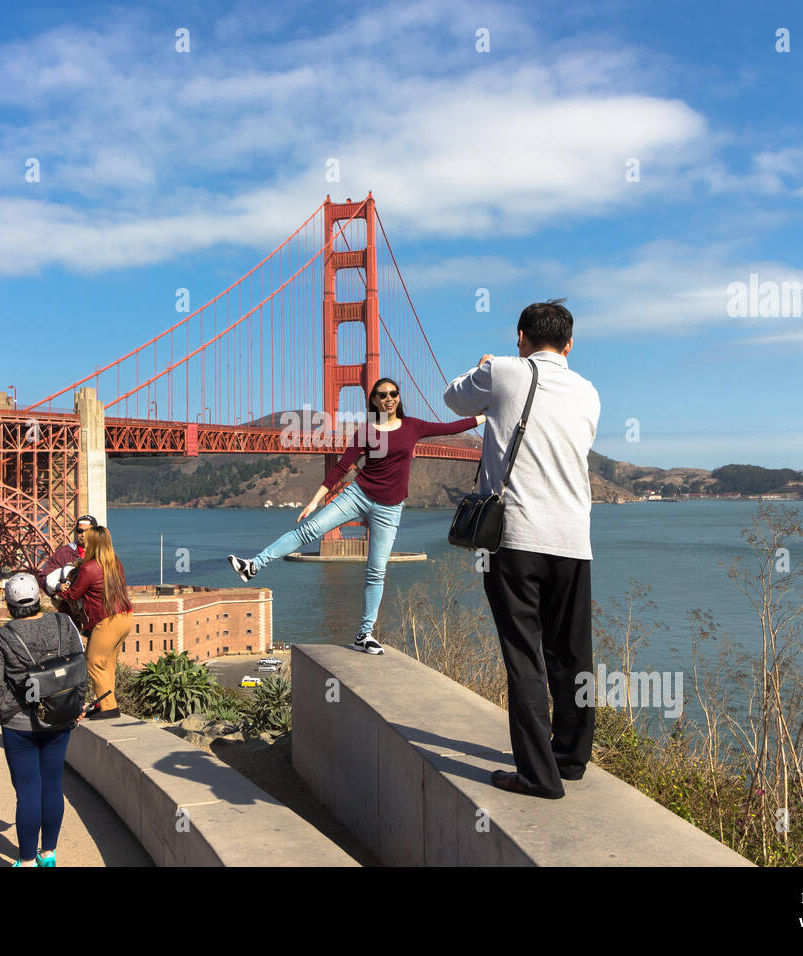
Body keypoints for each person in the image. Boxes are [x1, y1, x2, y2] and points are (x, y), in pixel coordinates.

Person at [443, 298, 601, 800]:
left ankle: (537, 776)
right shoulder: (589, 392)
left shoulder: (504, 371)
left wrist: (485, 365)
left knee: (523, 656)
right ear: (570, 344)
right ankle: (571, 759)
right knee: (573, 655)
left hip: (515, 540)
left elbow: (453, 399)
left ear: (520, 337)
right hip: (574, 540)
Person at [227, 378, 483, 653]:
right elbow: (341, 467)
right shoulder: (366, 431)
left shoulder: (413, 426)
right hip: (357, 495)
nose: (389, 398)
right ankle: (253, 566)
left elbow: (452, 427)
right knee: (309, 530)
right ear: (373, 400)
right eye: (382, 394)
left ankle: (364, 634)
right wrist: (315, 500)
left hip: (390, 508)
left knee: (376, 572)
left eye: (393, 394)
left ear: (398, 397)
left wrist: (488, 414)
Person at [0, 573, 85, 866]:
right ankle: (48, 854)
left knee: (28, 791)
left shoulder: (3, 636)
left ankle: (26, 861)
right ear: (39, 598)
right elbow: (79, 668)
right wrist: (79, 703)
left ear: (9, 604)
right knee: (52, 785)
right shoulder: (64, 623)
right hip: (60, 716)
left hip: (19, 723)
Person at [57, 527, 132, 717]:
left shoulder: (89, 568)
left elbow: (73, 595)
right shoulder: (116, 563)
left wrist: (59, 590)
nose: (83, 543)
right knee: (108, 664)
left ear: (94, 544)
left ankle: (109, 708)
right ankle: (106, 702)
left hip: (106, 620)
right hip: (125, 616)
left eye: (87, 540)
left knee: (93, 662)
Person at [36, 514, 97, 596]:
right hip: (69, 606)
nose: (83, 534)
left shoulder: (102, 552)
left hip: (95, 605)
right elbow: (43, 578)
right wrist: (61, 593)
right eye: (80, 531)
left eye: (88, 531)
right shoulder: (64, 553)